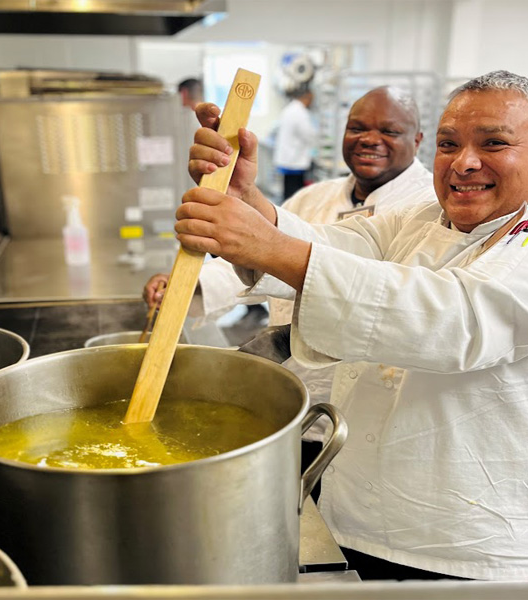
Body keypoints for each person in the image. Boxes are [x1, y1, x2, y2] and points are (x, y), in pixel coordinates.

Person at [175, 70, 528, 581]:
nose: (464, 162)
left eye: (494, 143)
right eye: (448, 144)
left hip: (481, 548)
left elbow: (457, 319)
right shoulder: (420, 218)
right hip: (364, 513)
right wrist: (246, 201)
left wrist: (265, 244)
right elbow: (330, 247)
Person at [144, 87, 435, 475]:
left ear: (417, 140)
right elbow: (261, 254)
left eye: (389, 131)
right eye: (357, 128)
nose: (369, 139)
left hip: (370, 430)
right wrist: (190, 284)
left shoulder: (432, 209)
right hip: (291, 405)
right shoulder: (315, 197)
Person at [273, 87, 317, 200]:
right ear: (306, 97)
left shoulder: (289, 109)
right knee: (294, 195)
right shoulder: (300, 113)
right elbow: (307, 134)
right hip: (295, 159)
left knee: (288, 191)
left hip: (289, 158)